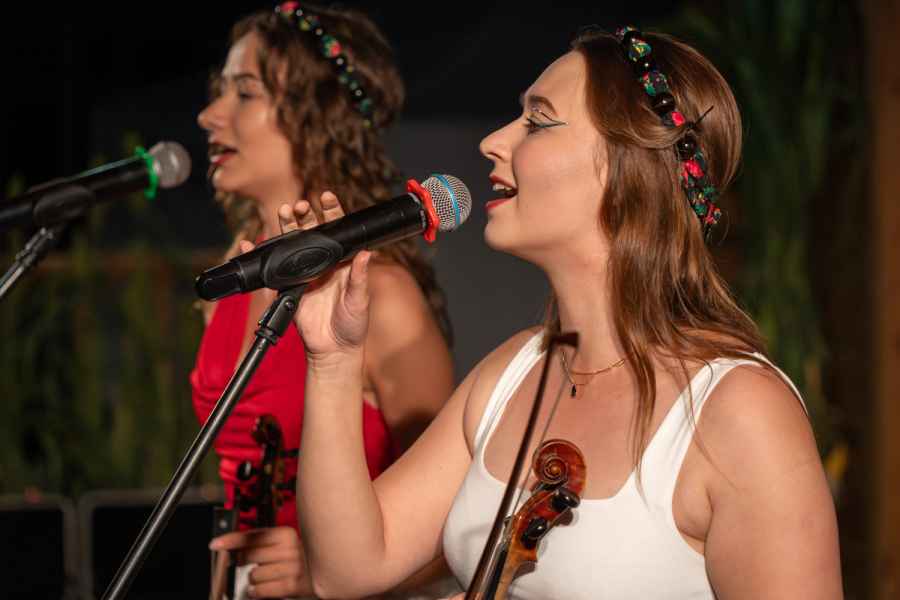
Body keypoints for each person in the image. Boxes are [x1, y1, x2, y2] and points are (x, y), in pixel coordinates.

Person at [279, 26, 843, 599]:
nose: (492, 141)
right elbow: (346, 569)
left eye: (538, 122)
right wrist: (333, 360)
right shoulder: (512, 374)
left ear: (627, 166)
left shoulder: (740, 411)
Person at [190, 3, 455, 598]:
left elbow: (456, 527)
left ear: (319, 115)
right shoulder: (231, 281)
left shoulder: (384, 298)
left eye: (245, 92)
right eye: (218, 92)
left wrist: (324, 572)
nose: (210, 115)